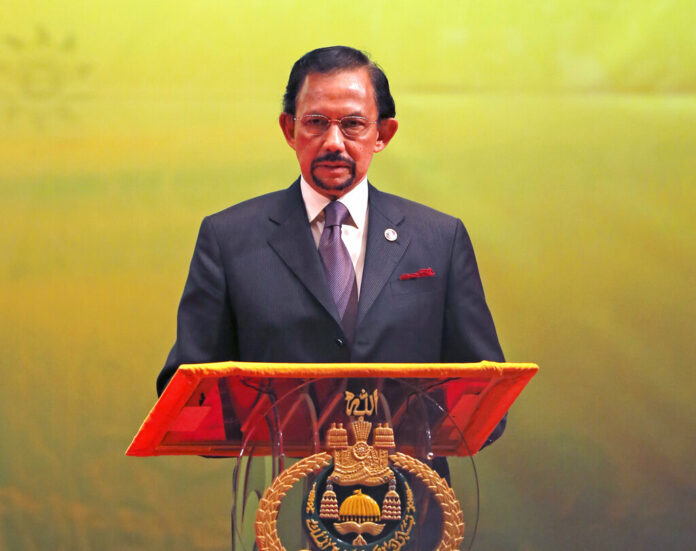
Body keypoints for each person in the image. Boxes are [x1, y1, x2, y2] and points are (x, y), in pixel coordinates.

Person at [156, 45, 506, 447]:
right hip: (279, 496)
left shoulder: (439, 239)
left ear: (383, 134)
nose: (333, 142)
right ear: (289, 130)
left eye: (353, 124)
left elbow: (487, 395)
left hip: (412, 495)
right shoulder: (228, 238)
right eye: (316, 122)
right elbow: (187, 392)